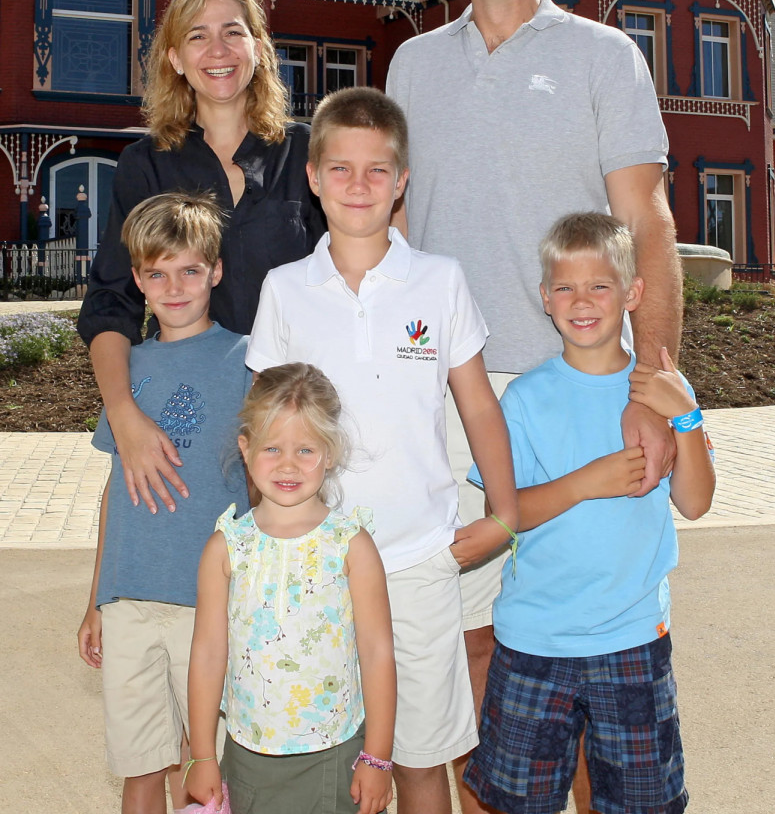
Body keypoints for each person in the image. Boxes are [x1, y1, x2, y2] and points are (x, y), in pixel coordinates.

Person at [385, 0, 682, 812]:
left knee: (602, 652)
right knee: (472, 644)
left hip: (576, 390)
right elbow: (386, 233)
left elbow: (647, 225)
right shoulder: (411, 65)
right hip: (448, 402)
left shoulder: (603, 56)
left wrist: (653, 384)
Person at [245, 87, 518, 814]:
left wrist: (507, 512)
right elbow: (268, 427)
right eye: (341, 169)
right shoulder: (284, 291)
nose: (358, 186)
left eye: (377, 171)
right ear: (313, 176)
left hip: (418, 560)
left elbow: (478, 404)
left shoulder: (440, 280)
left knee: (422, 763)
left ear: (402, 182)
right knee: (335, 763)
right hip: (315, 564)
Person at [463, 212, 715, 814]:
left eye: (600, 286)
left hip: (632, 639)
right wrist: (585, 483)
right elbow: (507, 514)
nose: (583, 302)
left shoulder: (662, 394)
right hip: (533, 641)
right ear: (546, 298)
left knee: (642, 804)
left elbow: (697, 502)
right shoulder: (523, 399)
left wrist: (688, 418)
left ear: (632, 293)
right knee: (519, 803)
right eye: (567, 288)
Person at [77, 0, 323, 516]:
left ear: (257, 48)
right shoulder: (146, 166)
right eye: (197, 36)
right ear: (174, 58)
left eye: (233, 32)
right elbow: (111, 302)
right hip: (181, 407)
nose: (218, 50)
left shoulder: (309, 154)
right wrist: (125, 418)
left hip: (290, 414)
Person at [77, 191, 252, 814]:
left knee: (209, 773)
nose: (173, 287)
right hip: (129, 602)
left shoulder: (246, 362)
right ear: (137, 280)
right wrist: (99, 598)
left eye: (189, 271)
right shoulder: (128, 369)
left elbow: (263, 489)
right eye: (157, 273)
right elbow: (112, 494)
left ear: (216, 271)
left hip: (207, 608)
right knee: (141, 769)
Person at [186, 362, 396, 814]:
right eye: (272, 448)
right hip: (247, 756)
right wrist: (203, 755)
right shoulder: (226, 546)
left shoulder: (351, 545)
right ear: (245, 449)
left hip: (336, 754)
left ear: (331, 453)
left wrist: (377, 757)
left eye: (305, 450)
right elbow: (206, 654)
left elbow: (377, 652)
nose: (287, 464)